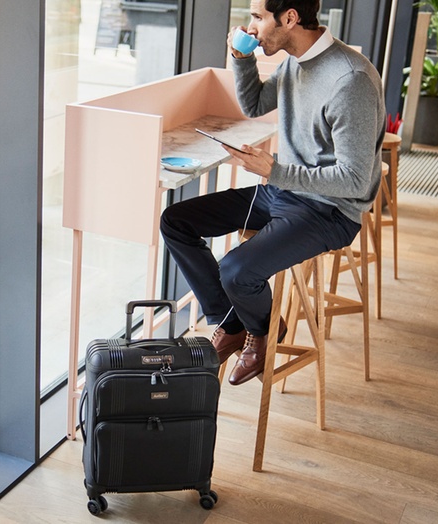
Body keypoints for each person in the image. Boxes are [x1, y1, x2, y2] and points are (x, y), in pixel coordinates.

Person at [159, 0, 385, 385]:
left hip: (330, 211)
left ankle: (264, 334)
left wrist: (274, 169)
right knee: (176, 221)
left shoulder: (350, 80)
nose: (252, 27)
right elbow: (255, 104)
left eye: (258, 17)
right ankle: (232, 324)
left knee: (236, 270)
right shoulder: (295, 59)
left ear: (290, 18)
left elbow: (356, 180)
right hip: (285, 191)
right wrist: (241, 59)